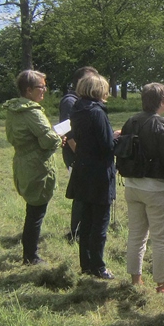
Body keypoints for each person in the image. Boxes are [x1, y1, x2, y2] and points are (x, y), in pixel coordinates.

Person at [122, 83, 164, 296]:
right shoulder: (162, 125)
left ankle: (135, 280)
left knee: (136, 235)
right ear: (162, 101)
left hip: (132, 185)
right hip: (157, 188)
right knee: (162, 239)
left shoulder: (131, 121)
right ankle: (163, 286)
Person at [4, 70, 62, 265]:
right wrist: (58, 138)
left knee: (33, 209)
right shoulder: (32, 112)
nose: (44, 90)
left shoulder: (13, 109)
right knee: (36, 211)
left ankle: (29, 251)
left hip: (22, 162)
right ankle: (31, 256)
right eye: (41, 86)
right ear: (28, 90)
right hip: (36, 165)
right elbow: (47, 141)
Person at [66, 73, 117, 280]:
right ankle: (99, 266)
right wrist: (118, 139)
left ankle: (86, 264)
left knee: (86, 221)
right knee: (100, 223)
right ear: (98, 91)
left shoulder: (77, 110)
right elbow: (107, 147)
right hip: (99, 173)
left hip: (82, 169)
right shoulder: (97, 112)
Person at [59, 66, 98, 242]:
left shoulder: (84, 101)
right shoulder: (70, 101)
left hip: (83, 154)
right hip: (75, 154)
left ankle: (85, 227)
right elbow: (68, 131)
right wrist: (80, 154)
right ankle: (75, 232)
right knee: (81, 192)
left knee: (87, 191)